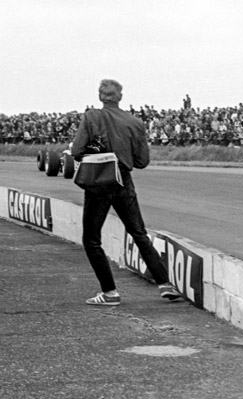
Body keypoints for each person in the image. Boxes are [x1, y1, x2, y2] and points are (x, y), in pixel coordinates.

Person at [71, 79, 181, 306]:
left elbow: (76, 150)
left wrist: (96, 150)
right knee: (139, 233)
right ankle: (165, 284)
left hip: (99, 181)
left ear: (101, 97)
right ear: (120, 96)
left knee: (91, 240)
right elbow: (142, 161)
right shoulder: (135, 122)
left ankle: (110, 293)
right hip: (123, 180)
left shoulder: (91, 117)